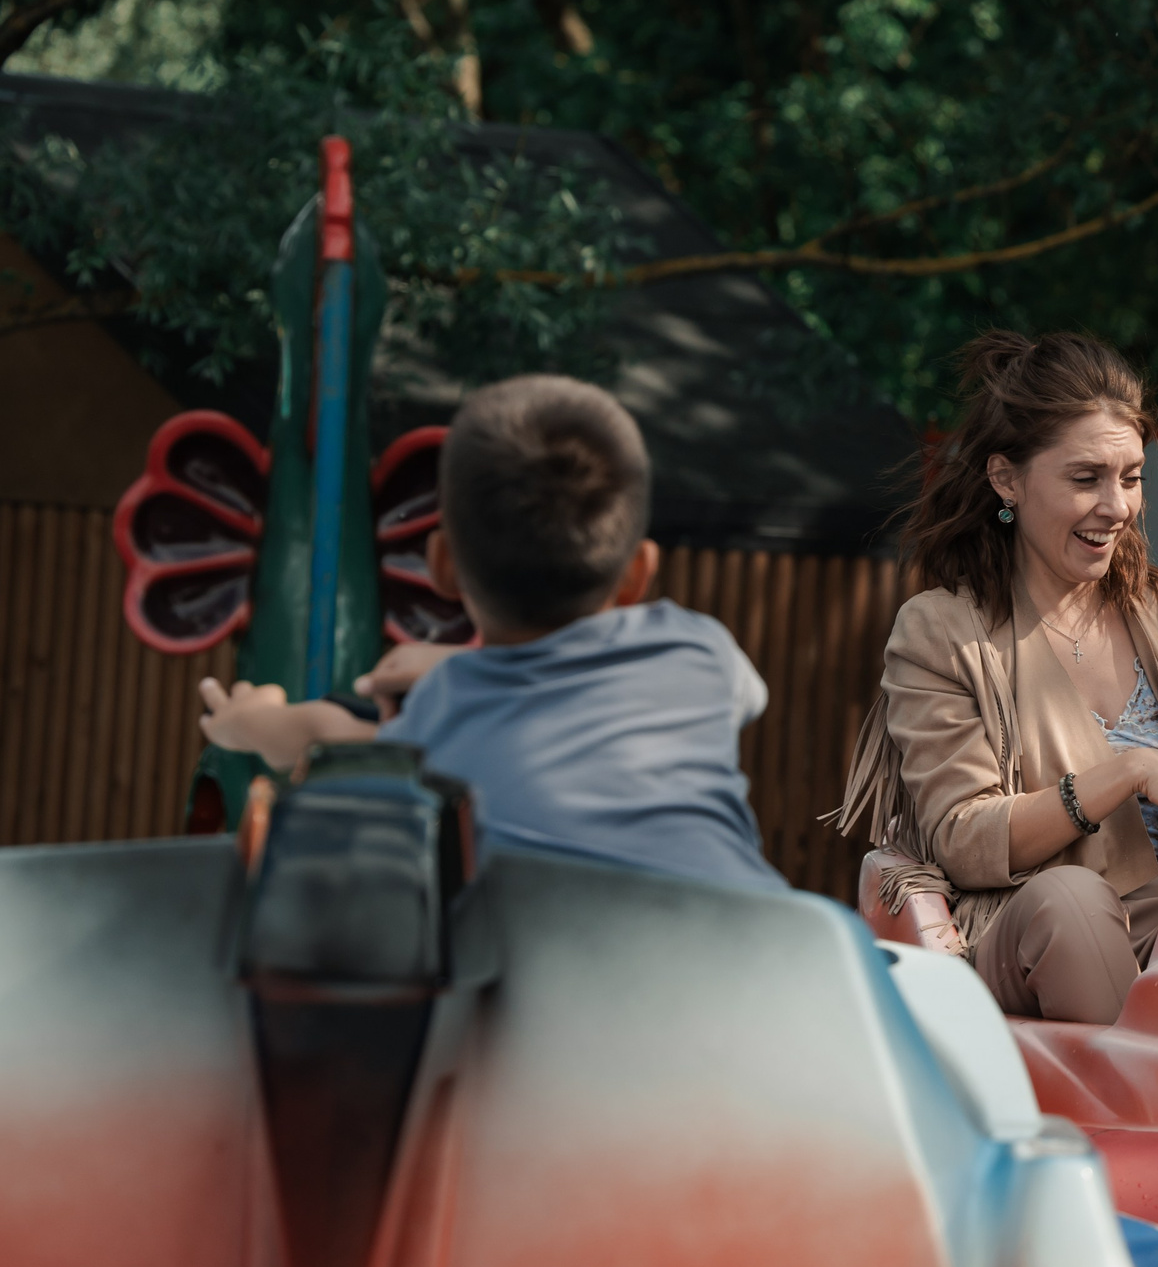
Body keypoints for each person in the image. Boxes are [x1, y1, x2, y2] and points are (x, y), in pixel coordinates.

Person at [834, 330, 1158, 1024]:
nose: (1117, 506)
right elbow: (964, 837)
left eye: (1131, 478)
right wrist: (1133, 771)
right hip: (1030, 930)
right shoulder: (940, 631)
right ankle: (1140, 1090)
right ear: (1007, 479)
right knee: (1074, 901)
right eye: (1086, 478)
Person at [197, 374, 784, 891]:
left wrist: (244, 722)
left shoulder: (438, 711)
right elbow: (740, 696)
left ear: (442, 566)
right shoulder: (699, 650)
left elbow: (322, 734)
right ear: (639, 573)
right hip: (776, 952)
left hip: (569, 964)